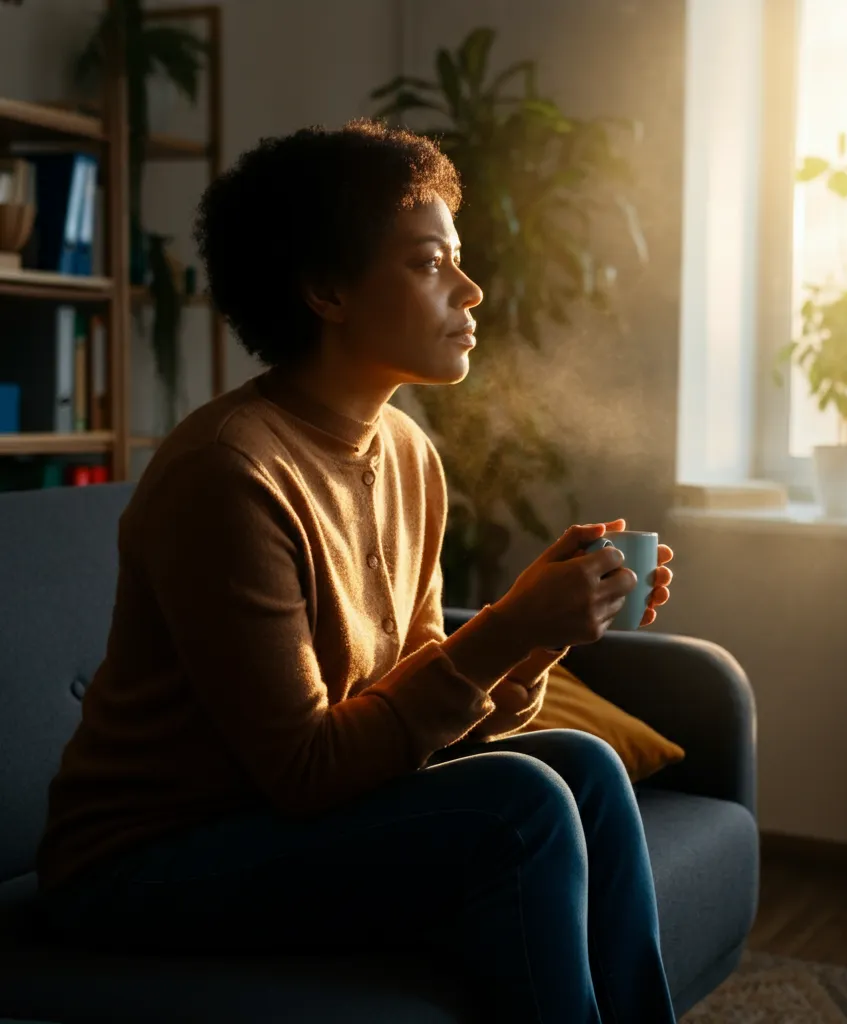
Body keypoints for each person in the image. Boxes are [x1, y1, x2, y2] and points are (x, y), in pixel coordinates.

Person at [35, 120, 677, 1024]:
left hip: (278, 823)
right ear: (326, 289)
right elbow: (303, 769)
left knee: (583, 766)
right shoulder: (230, 474)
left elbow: (414, 715)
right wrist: (508, 628)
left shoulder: (409, 453)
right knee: (520, 806)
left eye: (458, 259)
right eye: (428, 263)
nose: (472, 289)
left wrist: (535, 641)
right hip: (146, 861)